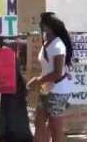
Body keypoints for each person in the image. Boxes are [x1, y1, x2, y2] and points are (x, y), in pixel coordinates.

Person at [27, 12, 73, 142]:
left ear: (49, 26)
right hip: (47, 89)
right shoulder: (48, 42)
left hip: (58, 91)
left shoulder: (58, 46)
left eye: (42, 23)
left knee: (55, 128)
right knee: (39, 123)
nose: (40, 25)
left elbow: (58, 72)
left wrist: (38, 80)